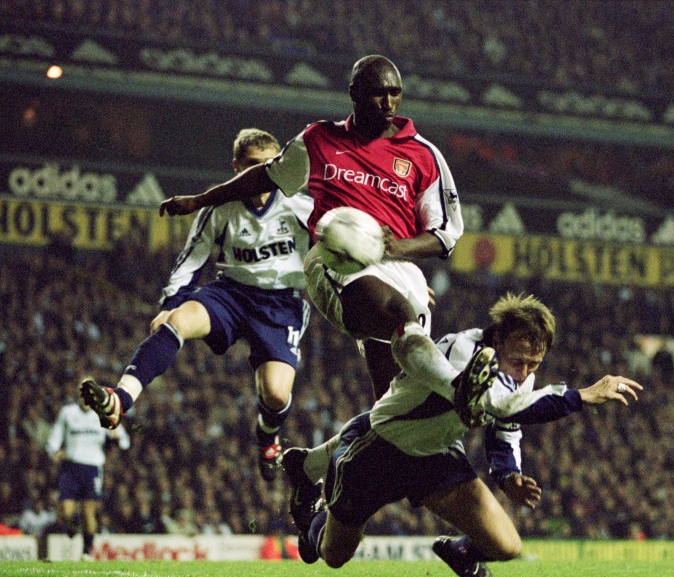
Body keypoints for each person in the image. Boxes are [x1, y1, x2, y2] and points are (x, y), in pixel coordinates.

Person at [157, 56, 485, 487]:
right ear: (354, 94)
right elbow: (263, 179)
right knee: (402, 316)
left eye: (395, 92)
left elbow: (446, 233)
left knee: (392, 415)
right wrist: (200, 200)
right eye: (377, 92)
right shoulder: (319, 140)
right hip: (334, 261)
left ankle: (310, 475)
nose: (388, 101)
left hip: (399, 268)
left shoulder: (424, 156)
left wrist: (397, 247)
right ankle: (460, 387)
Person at [283, 292, 643, 577]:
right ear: (497, 338)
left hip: (437, 456)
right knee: (332, 556)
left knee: (507, 545)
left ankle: (461, 553)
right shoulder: (461, 351)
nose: (525, 373)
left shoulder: (518, 373)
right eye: (519, 361)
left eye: (535, 364)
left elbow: (504, 425)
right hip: (379, 448)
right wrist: (580, 396)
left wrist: (508, 474)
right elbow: (498, 404)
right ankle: (314, 504)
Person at [79, 128, 314, 480]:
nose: (259, 174)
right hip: (231, 293)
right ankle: (120, 400)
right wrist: (168, 305)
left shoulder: (301, 205)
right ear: (236, 167)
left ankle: (267, 435)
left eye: (268, 166)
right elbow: (191, 260)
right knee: (178, 320)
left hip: (281, 304)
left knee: (277, 396)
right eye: (251, 166)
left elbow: (349, 244)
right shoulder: (220, 206)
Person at [46, 392, 130, 559]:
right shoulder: (67, 413)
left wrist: (117, 436)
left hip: (92, 468)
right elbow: (54, 439)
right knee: (65, 510)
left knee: (88, 511)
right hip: (70, 466)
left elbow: (125, 441)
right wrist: (54, 451)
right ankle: (72, 525)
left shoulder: (104, 414)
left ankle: (87, 550)